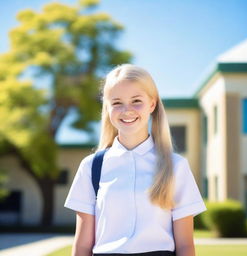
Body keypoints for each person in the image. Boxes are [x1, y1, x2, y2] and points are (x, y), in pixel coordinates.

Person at [64, 64, 207, 256]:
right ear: (107, 108)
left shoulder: (175, 167)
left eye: (136, 101)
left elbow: (185, 246)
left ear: (152, 104)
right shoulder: (91, 167)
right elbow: (82, 246)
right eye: (117, 103)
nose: (127, 110)